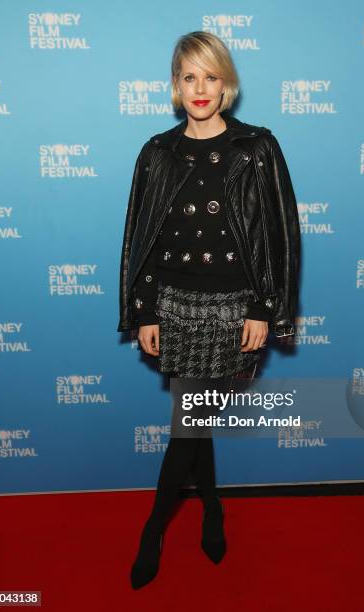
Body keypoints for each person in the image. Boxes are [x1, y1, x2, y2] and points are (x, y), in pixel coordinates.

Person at [117, 31, 301, 589]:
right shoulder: (156, 152)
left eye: (211, 77)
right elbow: (140, 238)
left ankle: (154, 528)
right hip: (173, 306)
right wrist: (144, 310)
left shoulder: (258, 148)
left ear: (227, 83)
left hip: (231, 310)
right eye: (189, 77)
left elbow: (282, 235)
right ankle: (213, 508)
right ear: (175, 86)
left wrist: (267, 308)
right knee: (193, 423)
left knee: (188, 425)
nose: (200, 89)